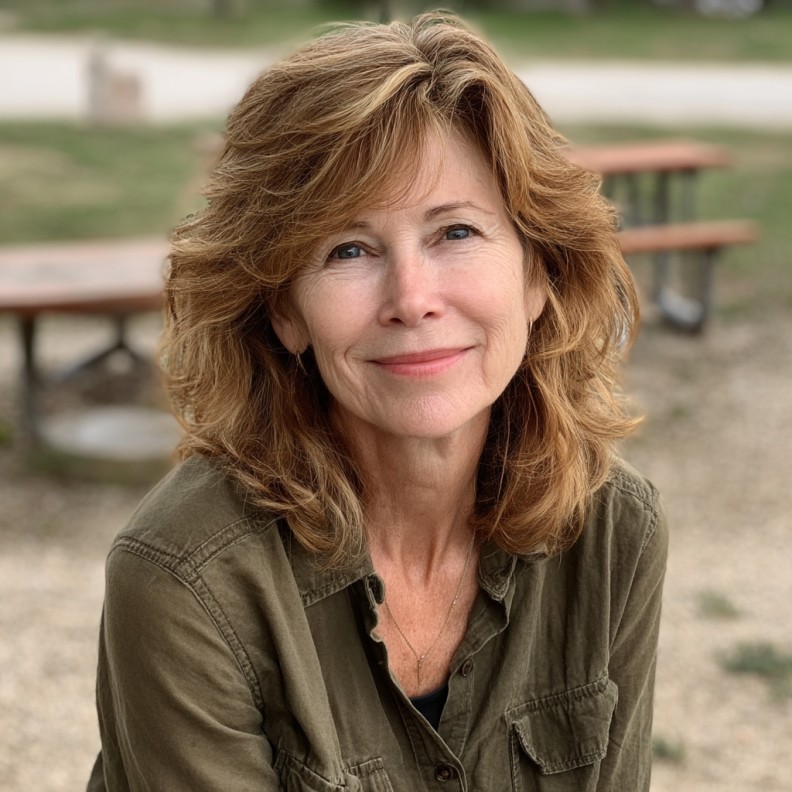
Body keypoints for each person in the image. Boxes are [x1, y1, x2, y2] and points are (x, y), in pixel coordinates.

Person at [87, 12, 667, 791]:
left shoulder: (613, 532)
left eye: (455, 233)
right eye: (348, 250)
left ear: (538, 274)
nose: (412, 299)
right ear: (284, 310)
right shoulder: (184, 579)